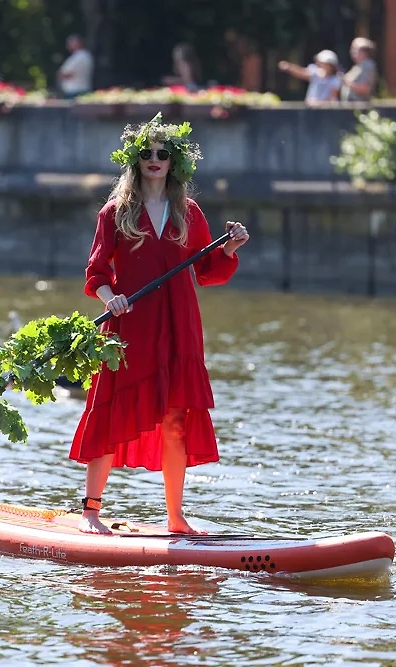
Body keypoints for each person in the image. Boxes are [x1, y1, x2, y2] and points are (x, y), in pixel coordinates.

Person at [69, 114, 249, 535]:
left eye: (163, 154)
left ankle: (174, 516)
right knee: (110, 412)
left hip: (179, 325)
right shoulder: (115, 212)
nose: (154, 159)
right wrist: (108, 298)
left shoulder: (189, 212)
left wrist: (232, 249)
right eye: (147, 153)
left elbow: (209, 271)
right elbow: (95, 273)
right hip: (129, 324)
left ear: (174, 163)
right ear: (135, 160)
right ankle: (91, 511)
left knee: (175, 420)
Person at [278, 49, 342, 104]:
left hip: (327, 112)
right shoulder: (315, 72)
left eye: (323, 63)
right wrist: (289, 67)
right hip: (312, 111)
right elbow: (302, 73)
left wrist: (316, 103)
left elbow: (332, 98)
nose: (320, 64)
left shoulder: (335, 79)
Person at [341, 37, 378, 102]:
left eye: (355, 49)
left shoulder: (367, 65)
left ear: (364, 51)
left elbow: (365, 89)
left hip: (360, 108)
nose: (352, 51)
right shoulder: (358, 66)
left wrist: (347, 82)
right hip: (352, 106)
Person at [57, 34, 93, 99]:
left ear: (77, 43)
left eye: (70, 42)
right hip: (82, 90)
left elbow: (65, 74)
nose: (68, 45)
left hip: (75, 92)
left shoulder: (79, 56)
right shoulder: (86, 55)